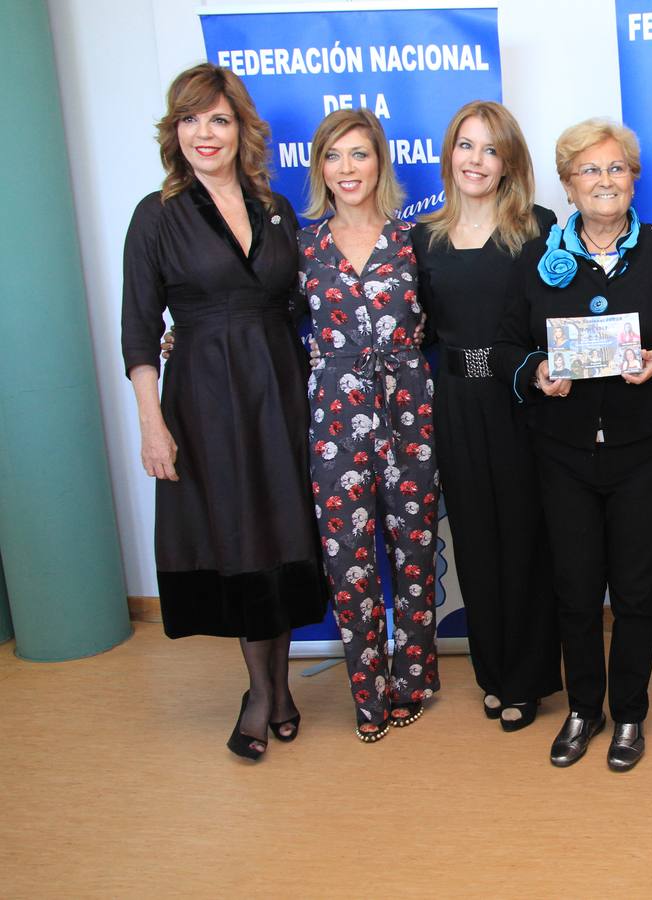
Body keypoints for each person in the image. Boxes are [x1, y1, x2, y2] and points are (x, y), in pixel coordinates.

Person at [121, 64, 326, 761]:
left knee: (281, 528)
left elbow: (298, 302)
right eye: (190, 120)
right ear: (174, 133)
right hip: (205, 399)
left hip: (278, 386)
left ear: (241, 129)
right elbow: (138, 327)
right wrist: (152, 423)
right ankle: (262, 695)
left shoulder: (275, 210)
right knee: (240, 535)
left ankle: (282, 688)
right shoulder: (157, 214)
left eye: (218, 119)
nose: (204, 133)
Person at [493, 118, 652, 772]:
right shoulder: (536, 257)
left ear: (633, 178)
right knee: (576, 589)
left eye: (616, 168)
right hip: (561, 450)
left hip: (645, 447)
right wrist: (535, 373)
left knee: (637, 590)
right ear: (568, 184)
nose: (604, 180)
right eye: (590, 170)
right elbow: (505, 346)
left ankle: (631, 713)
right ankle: (586, 707)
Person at [413, 100, 562, 731]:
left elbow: (568, 306)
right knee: (473, 542)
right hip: (454, 404)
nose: (476, 160)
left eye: (490, 149)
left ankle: (528, 680)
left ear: (508, 162)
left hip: (521, 402)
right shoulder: (423, 236)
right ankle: (493, 674)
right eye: (466, 146)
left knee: (526, 542)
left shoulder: (539, 227)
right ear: (450, 154)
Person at [299, 109, 440, 742]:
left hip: (408, 415)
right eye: (335, 156)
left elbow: (453, 323)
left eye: (360, 154)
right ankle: (368, 693)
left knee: (412, 554)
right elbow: (262, 323)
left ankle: (412, 679)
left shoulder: (416, 241)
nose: (348, 168)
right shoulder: (301, 247)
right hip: (335, 421)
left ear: (379, 161)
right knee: (349, 561)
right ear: (320, 168)